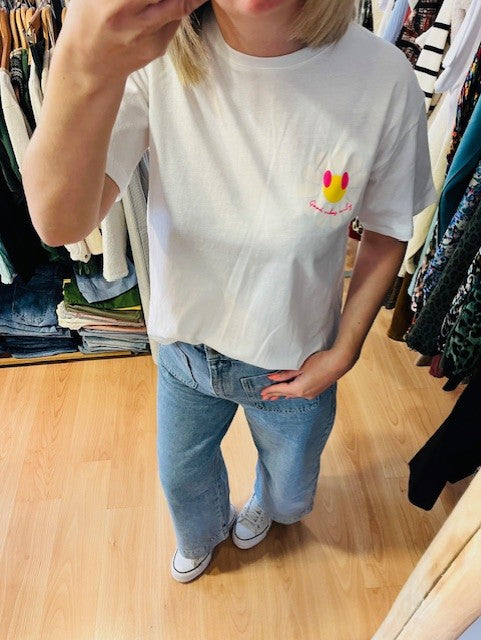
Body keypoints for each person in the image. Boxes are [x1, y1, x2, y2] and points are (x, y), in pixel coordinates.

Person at [23, 0, 436, 583]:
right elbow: (60, 222)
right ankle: (205, 532)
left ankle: (269, 505)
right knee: (181, 481)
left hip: (295, 363)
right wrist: (78, 59)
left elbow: (389, 228)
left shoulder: (382, 79)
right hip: (186, 353)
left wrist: (345, 351)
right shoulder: (152, 55)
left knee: (290, 494)